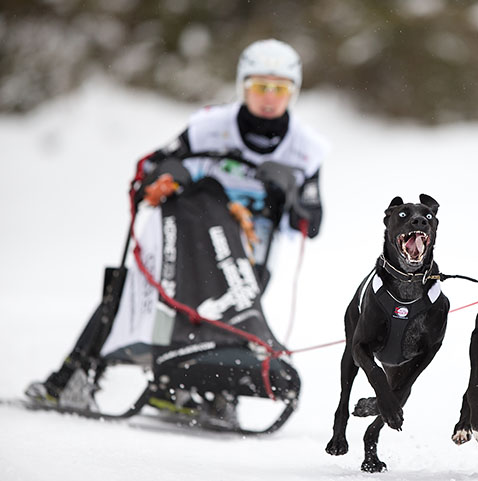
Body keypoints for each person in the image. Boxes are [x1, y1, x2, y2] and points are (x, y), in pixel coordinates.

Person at [26, 39, 329, 419]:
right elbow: (150, 169)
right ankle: (72, 377)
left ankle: (207, 395)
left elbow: (312, 223)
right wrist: (171, 172)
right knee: (127, 293)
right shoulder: (209, 127)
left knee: (232, 323)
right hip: (190, 244)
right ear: (243, 87)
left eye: (280, 89)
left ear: (293, 93)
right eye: (259, 87)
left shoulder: (306, 149)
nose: (269, 97)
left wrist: (288, 192)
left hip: (250, 257)